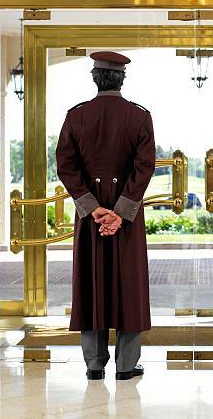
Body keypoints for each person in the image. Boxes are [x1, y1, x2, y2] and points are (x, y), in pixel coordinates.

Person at [56, 51, 156, 381]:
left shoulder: (76, 115)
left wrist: (91, 206)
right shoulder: (140, 116)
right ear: (122, 79)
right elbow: (145, 168)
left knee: (91, 283)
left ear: (95, 78)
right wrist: (121, 213)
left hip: (91, 217)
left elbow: (65, 165)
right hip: (125, 218)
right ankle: (127, 365)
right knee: (128, 284)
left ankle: (94, 364)